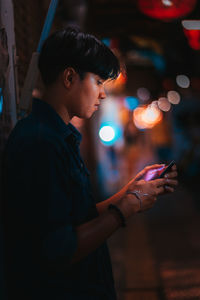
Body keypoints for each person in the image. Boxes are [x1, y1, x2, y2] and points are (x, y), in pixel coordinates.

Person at [2, 27, 178, 300]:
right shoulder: (41, 143)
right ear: (70, 77)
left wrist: (128, 193)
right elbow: (58, 248)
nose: (103, 94)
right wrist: (124, 210)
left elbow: (75, 218)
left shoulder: (57, 136)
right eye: (98, 82)